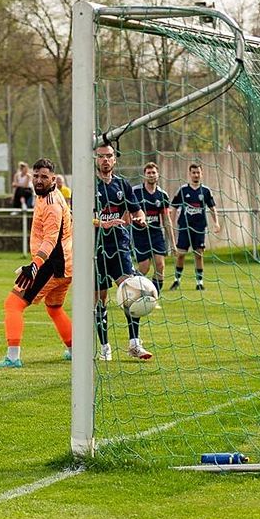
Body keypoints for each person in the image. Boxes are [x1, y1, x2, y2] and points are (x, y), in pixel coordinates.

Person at [0, 158, 73, 368]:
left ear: (53, 178)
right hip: (66, 265)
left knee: (13, 304)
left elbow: (50, 239)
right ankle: (75, 350)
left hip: (52, 265)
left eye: (44, 177)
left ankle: (13, 357)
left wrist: (35, 265)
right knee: (54, 308)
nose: (39, 180)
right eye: (36, 176)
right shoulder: (49, 197)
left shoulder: (52, 204)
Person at [93, 145, 151, 361]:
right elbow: (76, 217)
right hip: (96, 251)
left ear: (115, 159)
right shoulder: (88, 186)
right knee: (100, 300)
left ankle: (135, 344)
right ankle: (105, 348)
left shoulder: (122, 184)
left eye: (109, 156)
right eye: (101, 156)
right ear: (95, 159)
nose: (105, 160)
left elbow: (137, 209)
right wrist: (102, 224)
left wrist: (141, 218)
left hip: (120, 248)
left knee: (132, 293)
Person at [169, 163, 221, 292]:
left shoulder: (206, 191)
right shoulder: (183, 190)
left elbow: (212, 208)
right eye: (193, 172)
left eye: (198, 172)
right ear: (189, 174)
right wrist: (172, 222)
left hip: (199, 227)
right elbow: (174, 207)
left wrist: (216, 223)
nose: (196, 175)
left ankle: (199, 283)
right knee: (181, 254)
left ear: (201, 174)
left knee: (199, 254)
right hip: (184, 227)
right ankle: (177, 280)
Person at [132, 162, 175, 300]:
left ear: (158, 175)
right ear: (144, 175)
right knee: (144, 267)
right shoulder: (135, 192)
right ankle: (133, 290)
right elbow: (128, 212)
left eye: (153, 172)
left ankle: (154, 297)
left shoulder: (162, 195)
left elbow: (167, 220)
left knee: (160, 265)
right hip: (140, 234)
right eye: (148, 173)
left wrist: (173, 244)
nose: (151, 175)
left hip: (156, 233)